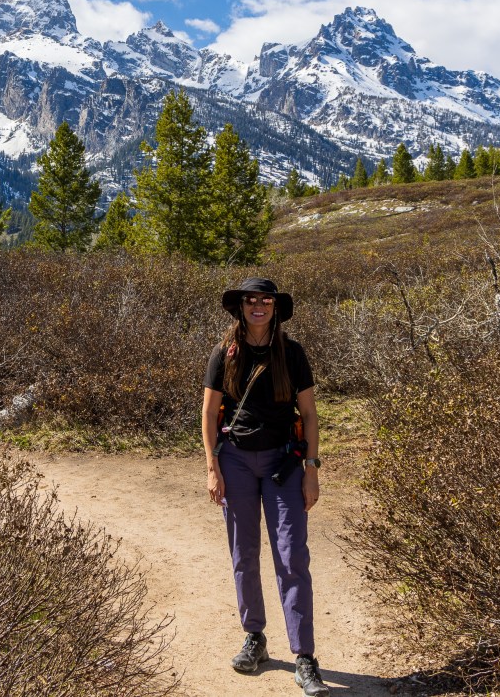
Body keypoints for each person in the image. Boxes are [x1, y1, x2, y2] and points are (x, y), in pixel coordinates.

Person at [202, 277, 329, 696]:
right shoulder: (226, 353)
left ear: (275, 308)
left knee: (292, 555)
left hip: (284, 463)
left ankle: (305, 656)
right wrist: (212, 468)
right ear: (241, 308)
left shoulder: (292, 354)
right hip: (235, 461)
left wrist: (311, 469)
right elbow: (209, 414)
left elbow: (309, 414)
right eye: (251, 300)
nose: (258, 306)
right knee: (245, 553)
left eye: (266, 300)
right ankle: (254, 638)